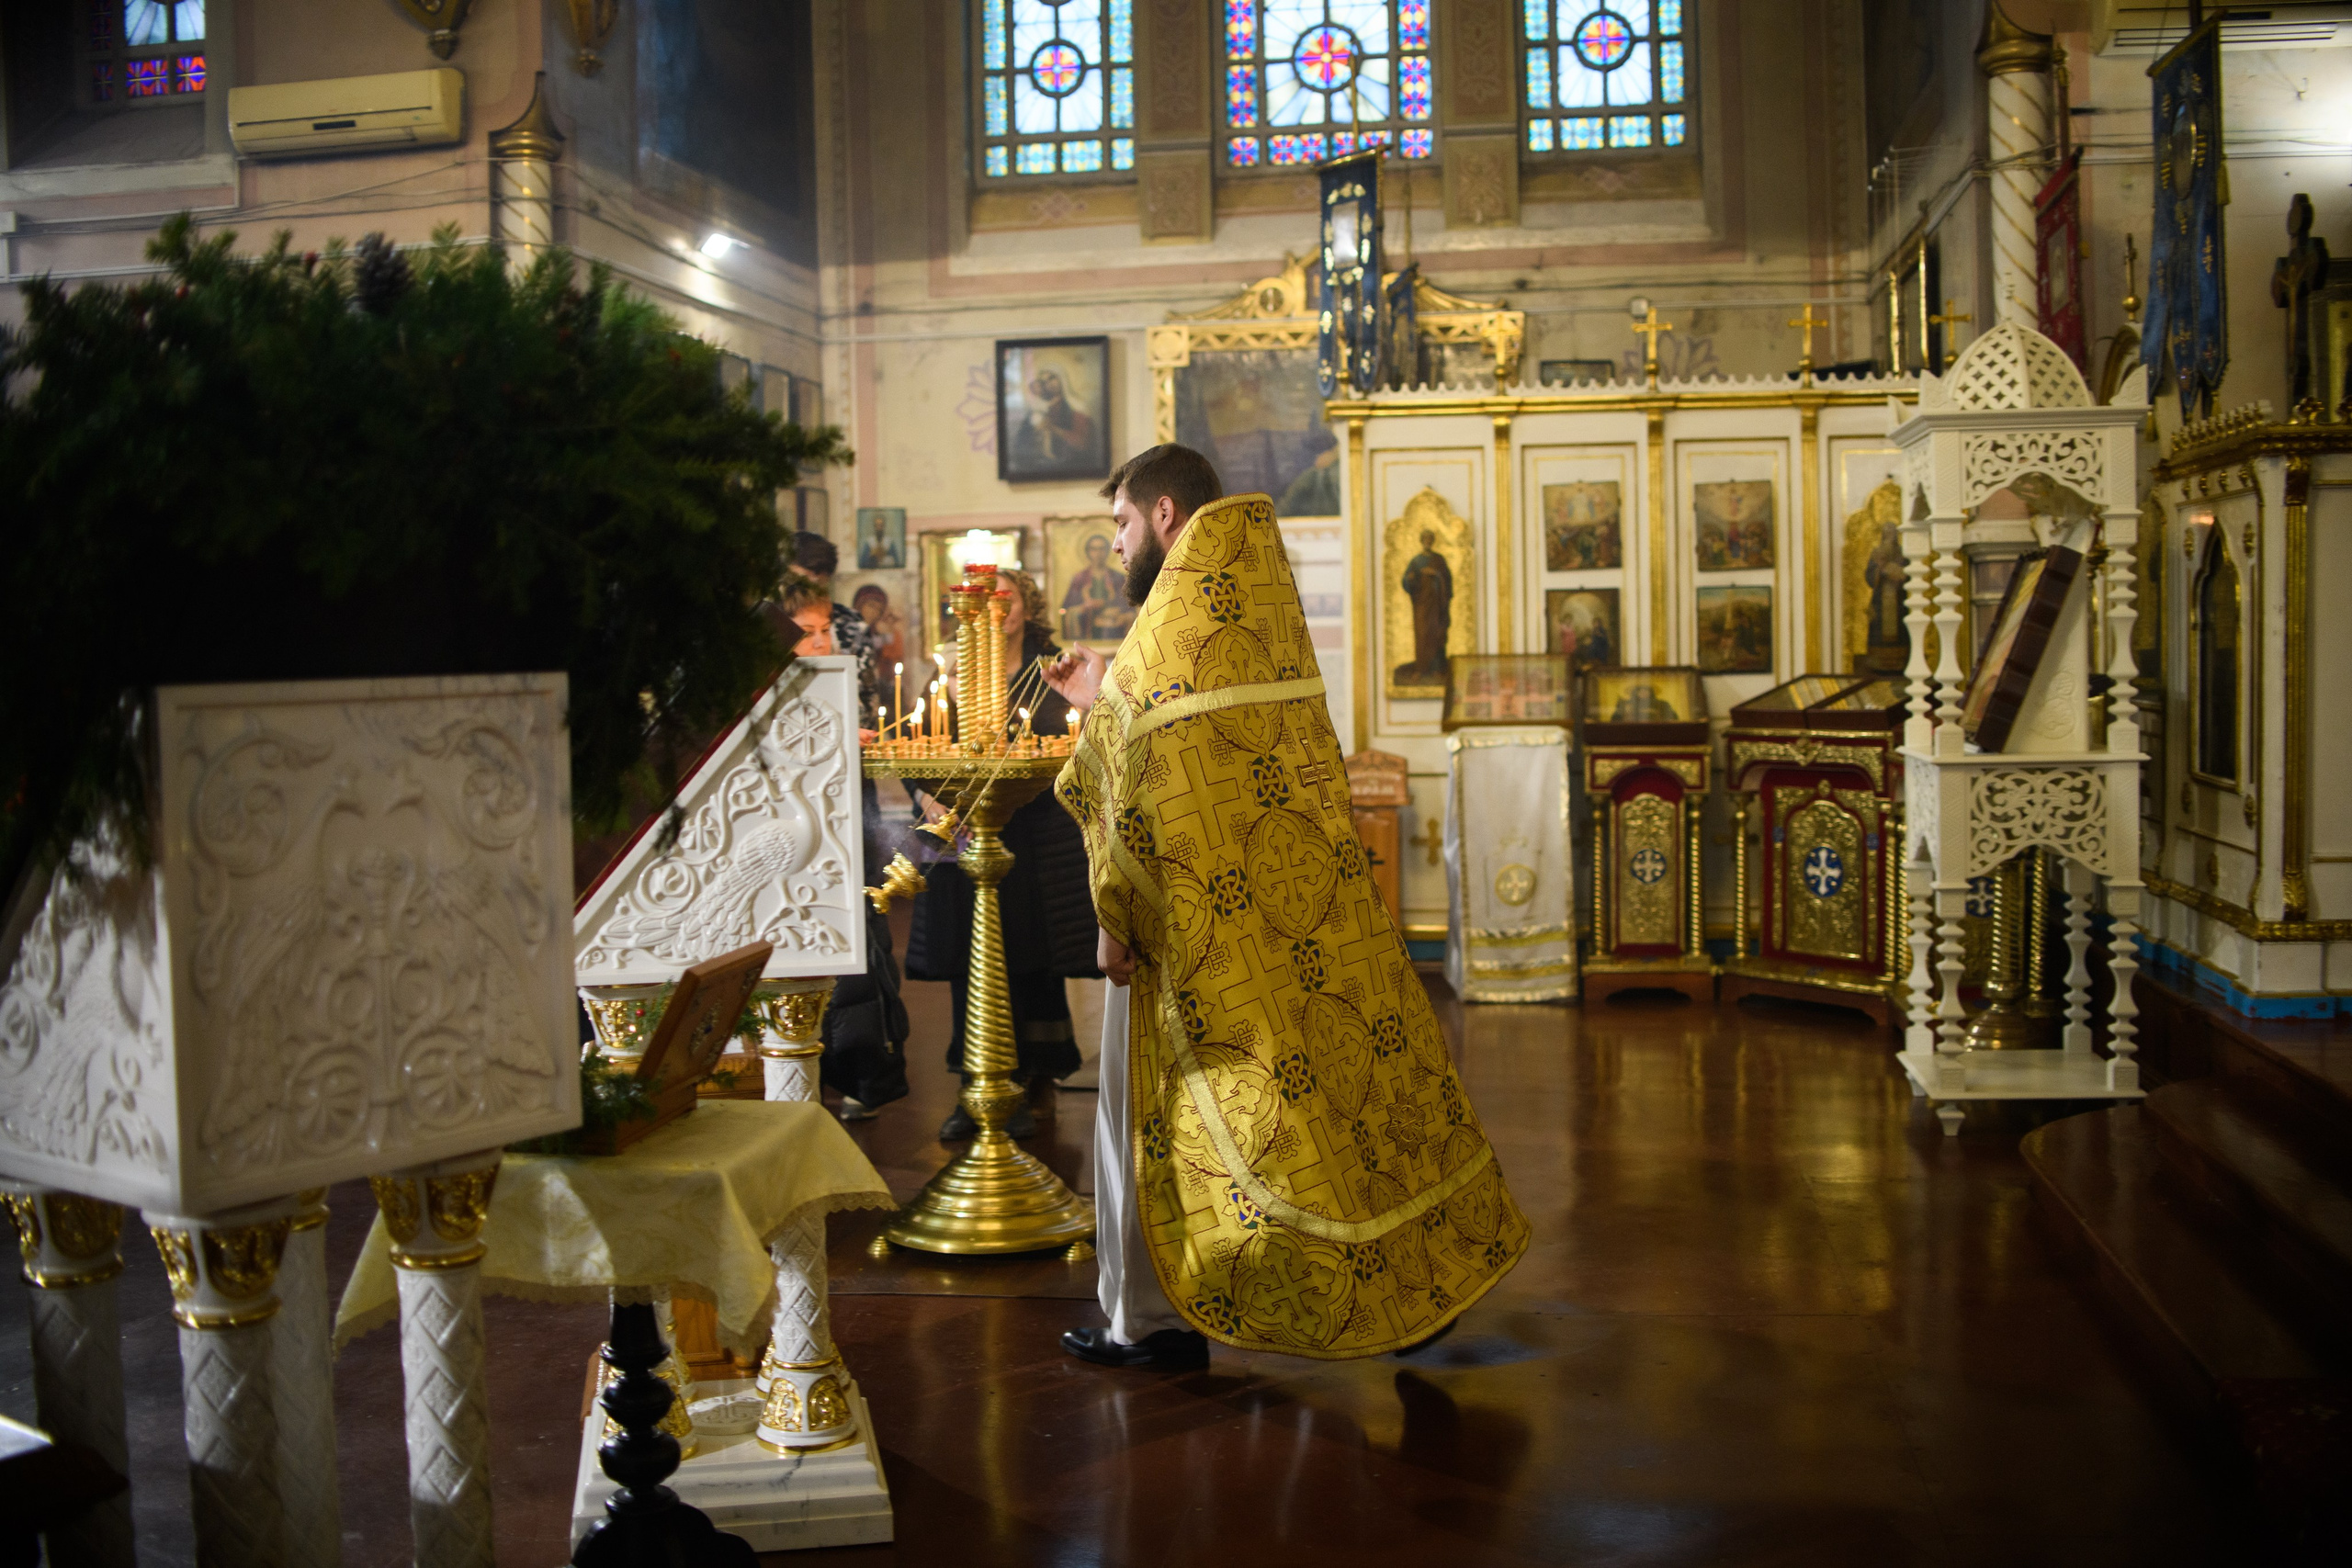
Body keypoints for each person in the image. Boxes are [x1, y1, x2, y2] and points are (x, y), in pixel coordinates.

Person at [1043, 443, 1527, 1371]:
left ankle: (1146, 1322)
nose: (1111, 547)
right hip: (1288, 918)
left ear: (1166, 515)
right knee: (1335, 1112)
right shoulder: (1249, 606)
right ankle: (1404, 1277)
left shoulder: (1161, 637)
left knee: (1160, 1131)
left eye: (1118, 525)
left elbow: (1138, 791)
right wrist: (1103, 697)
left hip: (1187, 941)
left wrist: (1112, 924)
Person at [903, 567, 1101, 1142]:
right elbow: (920, 742)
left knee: (1028, 960)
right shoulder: (953, 671)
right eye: (985, 601)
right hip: (962, 836)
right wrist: (925, 797)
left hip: (1033, 837)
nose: (998, 609)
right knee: (969, 961)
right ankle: (977, 1085)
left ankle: (1032, 1079)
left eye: (1007, 599)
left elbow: (1070, 741)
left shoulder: (1051, 667)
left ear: (1026, 607)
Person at [785, 530, 882, 727]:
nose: (809, 590)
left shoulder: (851, 624)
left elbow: (867, 693)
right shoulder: (774, 619)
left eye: (818, 582)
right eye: (800, 581)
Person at [1396, 528, 1453, 685]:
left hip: (1436, 605)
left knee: (1435, 634)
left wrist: (1436, 574)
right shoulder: (1416, 561)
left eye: (1430, 539)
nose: (1427, 541)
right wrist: (1412, 578)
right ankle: (1421, 669)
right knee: (1422, 635)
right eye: (1425, 539)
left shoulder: (1439, 560)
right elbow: (1407, 581)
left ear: (1432, 541)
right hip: (1421, 605)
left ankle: (1436, 669)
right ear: (1422, 541)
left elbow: (1446, 580)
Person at [1058, 532, 1134, 643]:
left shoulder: (1118, 578)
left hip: (1113, 629)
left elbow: (1129, 606)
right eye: (1094, 549)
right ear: (1087, 552)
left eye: (1102, 549)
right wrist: (1083, 607)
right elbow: (1066, 609)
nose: (1098, 553)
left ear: (1108, 551)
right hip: (1086, 625)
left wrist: (1115, 610)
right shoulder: (1079, 579)